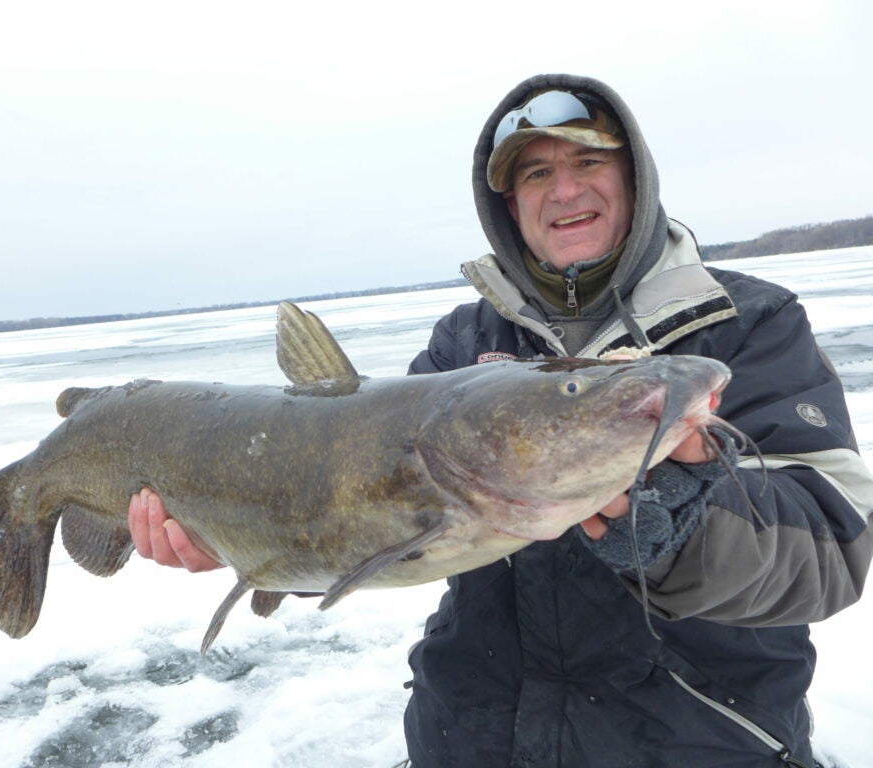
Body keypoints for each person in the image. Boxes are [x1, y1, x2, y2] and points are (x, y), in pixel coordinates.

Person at [128, 74, 873, 767]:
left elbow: (837, 547)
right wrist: (243, 540)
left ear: (634, 178)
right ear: (509, 204)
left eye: (588, 161)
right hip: (471, 738)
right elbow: (362, 510)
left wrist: (684, 526)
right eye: (535, 173)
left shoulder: (750, 323)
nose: (565, 191)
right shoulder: (463, 344)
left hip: (697, 742)